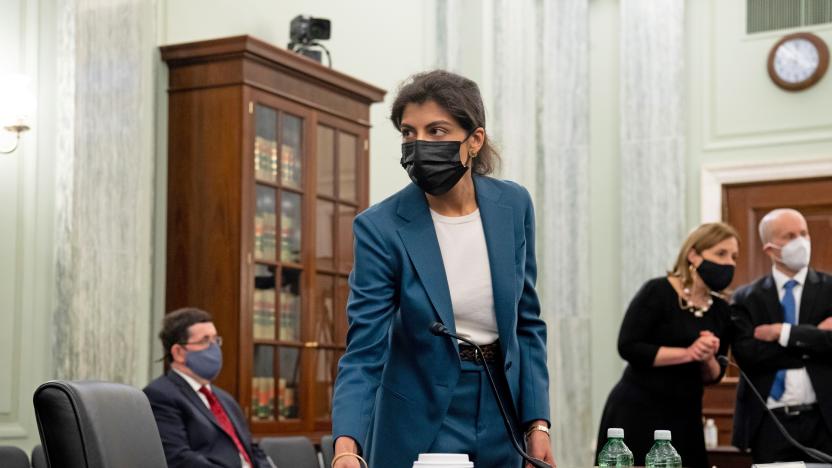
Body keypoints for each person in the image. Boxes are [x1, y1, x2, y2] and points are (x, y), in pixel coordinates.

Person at [330, 70, 554, 468]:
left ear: (475, 141)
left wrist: (538, 423)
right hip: (419, 415)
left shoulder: (513, 206)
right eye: (408, 133)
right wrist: (347, 445)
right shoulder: (380, 227)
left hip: (502, 406)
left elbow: (527, 323)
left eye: (437, 131)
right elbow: (365, 350)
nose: (419, 145)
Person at [596, 223, 739, 468]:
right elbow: (628, 346)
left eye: (734, 257)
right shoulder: (658, 291)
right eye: (720, 254)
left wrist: (707, 357)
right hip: (639, 409)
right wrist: (688, 353)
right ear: (694, 254)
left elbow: (715, 375)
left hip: (686, 415)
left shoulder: (721, 310)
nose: (729, 263)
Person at [731, 208, 832, 463]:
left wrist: (784, 332)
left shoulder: (829, 289)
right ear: (770, 248)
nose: (800, 241)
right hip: (770, 422)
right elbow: (748, 355)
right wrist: (814, 339)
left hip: (824, 421)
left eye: (804, 233)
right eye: (789, 236)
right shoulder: (746, 298)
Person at [144, 307, 272, 468]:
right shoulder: (160, 395)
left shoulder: (225, 399)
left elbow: (251, 449)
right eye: (205, 341)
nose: (214, 348)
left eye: (215, 340)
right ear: (178, 352)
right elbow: (178, 458)